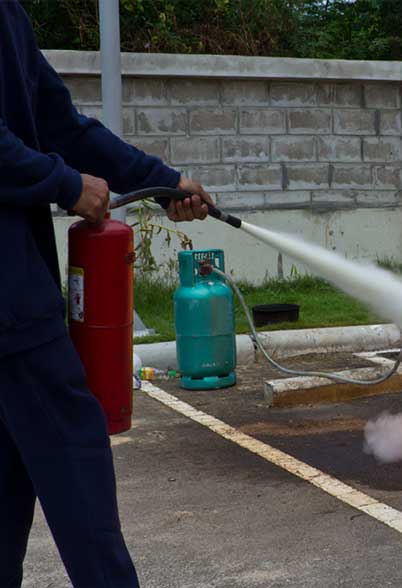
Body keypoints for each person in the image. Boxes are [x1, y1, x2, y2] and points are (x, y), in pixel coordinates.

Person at [0, 3, 212, 587]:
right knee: (74, 451)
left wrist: (160, 181)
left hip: (15, 290)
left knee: (7, 475)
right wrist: (65, 184)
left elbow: (62, 125)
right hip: (10, 302)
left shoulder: (10, 14)